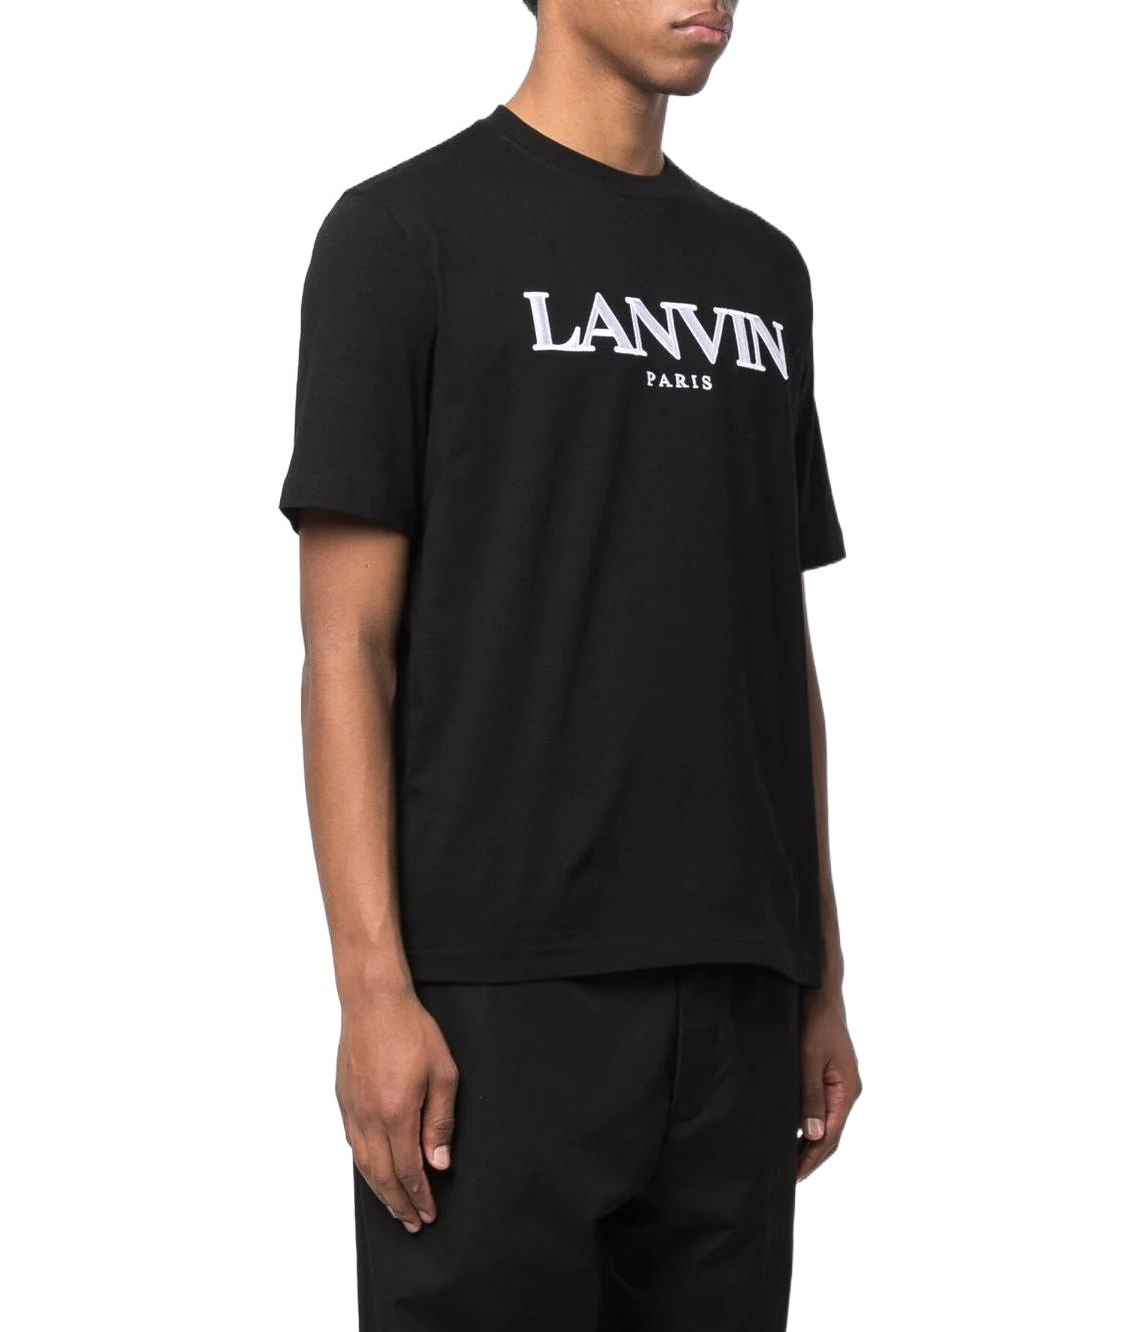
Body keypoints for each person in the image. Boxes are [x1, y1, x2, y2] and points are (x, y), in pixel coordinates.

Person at [279, 1, 861, 1327]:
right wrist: (373, 991)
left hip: (738, 993)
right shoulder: (402, 236)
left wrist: (820, 973)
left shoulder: (765, 270)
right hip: (496, 998)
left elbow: (774, 642)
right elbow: (345, 646)